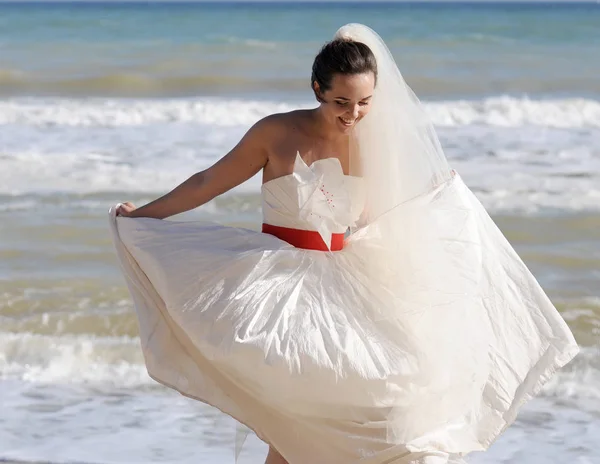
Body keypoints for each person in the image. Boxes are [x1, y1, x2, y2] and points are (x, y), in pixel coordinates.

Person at [109, 24, 579, 464]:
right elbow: (209, 181)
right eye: (341, 102)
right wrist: (144, 217)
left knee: (372, 409)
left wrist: (442, 204)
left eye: (365, 103)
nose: (353, 115)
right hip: (276, 284)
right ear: (317, 88)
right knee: (290, 416)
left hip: (346, 281)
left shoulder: (377, 145)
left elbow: (388, 218)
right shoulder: (276, 132)